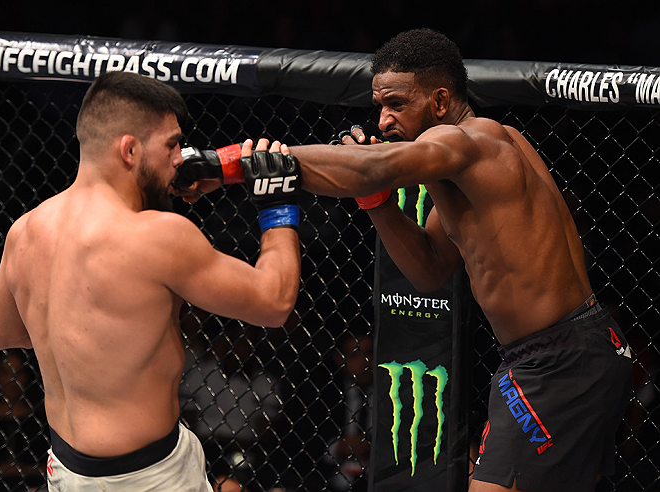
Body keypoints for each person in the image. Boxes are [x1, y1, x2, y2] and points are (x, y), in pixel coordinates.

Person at [175, 28, 633, 492]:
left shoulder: (473, 141)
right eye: (379, 106)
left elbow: (378, 165)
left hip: (556, 360)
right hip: (563, 352)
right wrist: (377, 201)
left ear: (439, 101)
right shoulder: (459, 176)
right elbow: (430, 269)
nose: (384, 119)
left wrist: (231, 164)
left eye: (396, 104)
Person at [0, 71, 301, 491]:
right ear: (130, 149)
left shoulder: (24, 232)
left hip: (64, 470)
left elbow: (3, 333)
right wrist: (277, 204)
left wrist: (79, 335)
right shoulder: (157, 236)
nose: (181, 157)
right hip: (150, 478)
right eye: (172, 144)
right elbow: (275, 301)